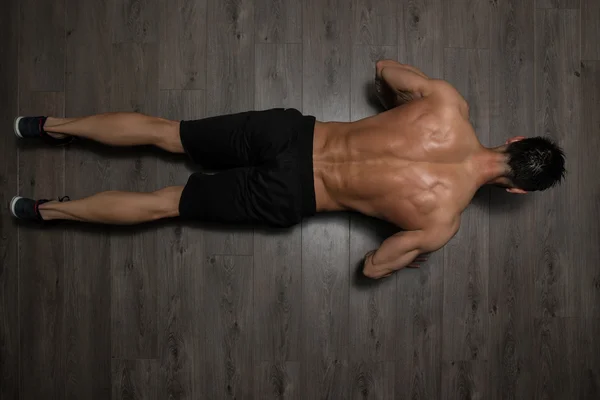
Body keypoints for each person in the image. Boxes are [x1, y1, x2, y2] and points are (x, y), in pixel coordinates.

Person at [9, 60, 565, 279]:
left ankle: (45, 125)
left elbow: (387, 70)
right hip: (293, 192)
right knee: (165, 203)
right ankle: (43, 210)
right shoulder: (442, 222)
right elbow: (371, 268)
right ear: (514, 190)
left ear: (514, 138)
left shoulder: (448, 103)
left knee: (166, 132)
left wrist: (396, 108)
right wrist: (404, 249)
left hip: (294, 133)